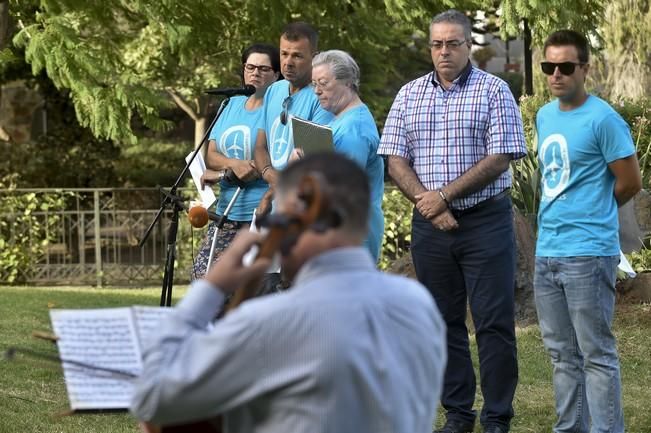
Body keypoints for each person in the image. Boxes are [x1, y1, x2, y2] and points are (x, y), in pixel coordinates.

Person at [130, 153, 447, 433]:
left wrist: (210, 288)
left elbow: (153, 398)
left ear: (293, 221)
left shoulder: (271, 321)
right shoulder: (420, 305)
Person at [378, 9, 526, 433]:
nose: (444, 51)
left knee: (493, 322)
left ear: (467, 46)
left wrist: (443, 196)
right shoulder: (409, 94)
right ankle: (458, 413)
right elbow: (394, 157)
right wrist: (431, 206)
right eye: (437, 44)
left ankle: (497, 417)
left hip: (485, 222)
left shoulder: (494, 90)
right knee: (442, 322)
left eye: (453, 43)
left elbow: (501, 156)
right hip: (430, 227)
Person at [534, 30, 642, 433]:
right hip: (547, 251)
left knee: (595, 353)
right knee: (561, 354)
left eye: (565, 66)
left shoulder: (604, 119)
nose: (556, 74)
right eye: (549, 67)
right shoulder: (544, 115)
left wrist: (593, 212)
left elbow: (629, 182)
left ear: (585, 69)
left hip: (588, 251)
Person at [191, 43, 280, 279]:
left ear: (276, 75)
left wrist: (221, 173)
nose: (255, 73)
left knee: (250, 288)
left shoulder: (276, 110)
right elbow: (211, 154)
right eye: (250, 67)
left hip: (260, 213)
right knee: (203, 279)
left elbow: (259, 165)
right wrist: (233, 165)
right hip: (227, 211)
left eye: (263, 69)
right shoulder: (230, 104)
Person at [310, 49, 384, 263]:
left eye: (323, 83)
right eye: (314, 84)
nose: (316, 91)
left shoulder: (354, 128)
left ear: (348, 82)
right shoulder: (341, 118)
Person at [254, 22, 334, 216]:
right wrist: (269, 173)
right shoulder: (273, 90)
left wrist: (271, 193)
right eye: (284, 54)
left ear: (314, 58)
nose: (288, 62)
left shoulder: (321, 97)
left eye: (297, 55)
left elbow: (313, 164)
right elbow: (259, 147)